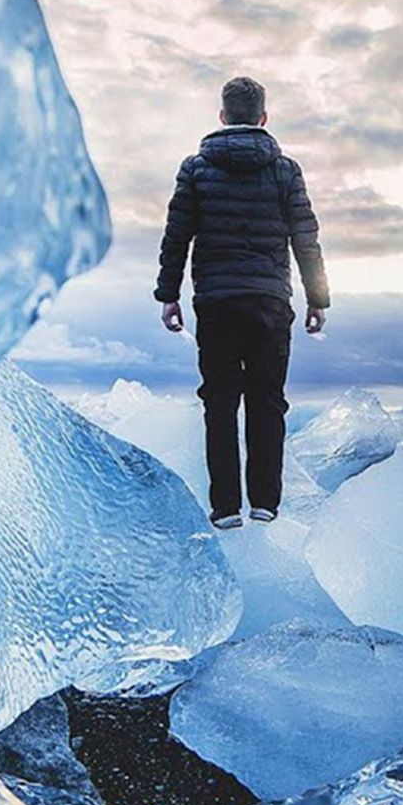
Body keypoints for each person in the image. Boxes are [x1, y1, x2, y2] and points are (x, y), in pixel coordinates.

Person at [155, 76, 330, 530]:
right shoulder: (285, 171)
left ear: (222, 116)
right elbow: (305, 238)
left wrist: (169, 295)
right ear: (263, 117)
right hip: (270, 301)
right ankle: (265, 503)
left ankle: (226, 508)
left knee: (219, 402)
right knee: (267, 400)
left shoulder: (196, 169)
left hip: (215, 301)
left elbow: (177, 237)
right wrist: (318, 299)